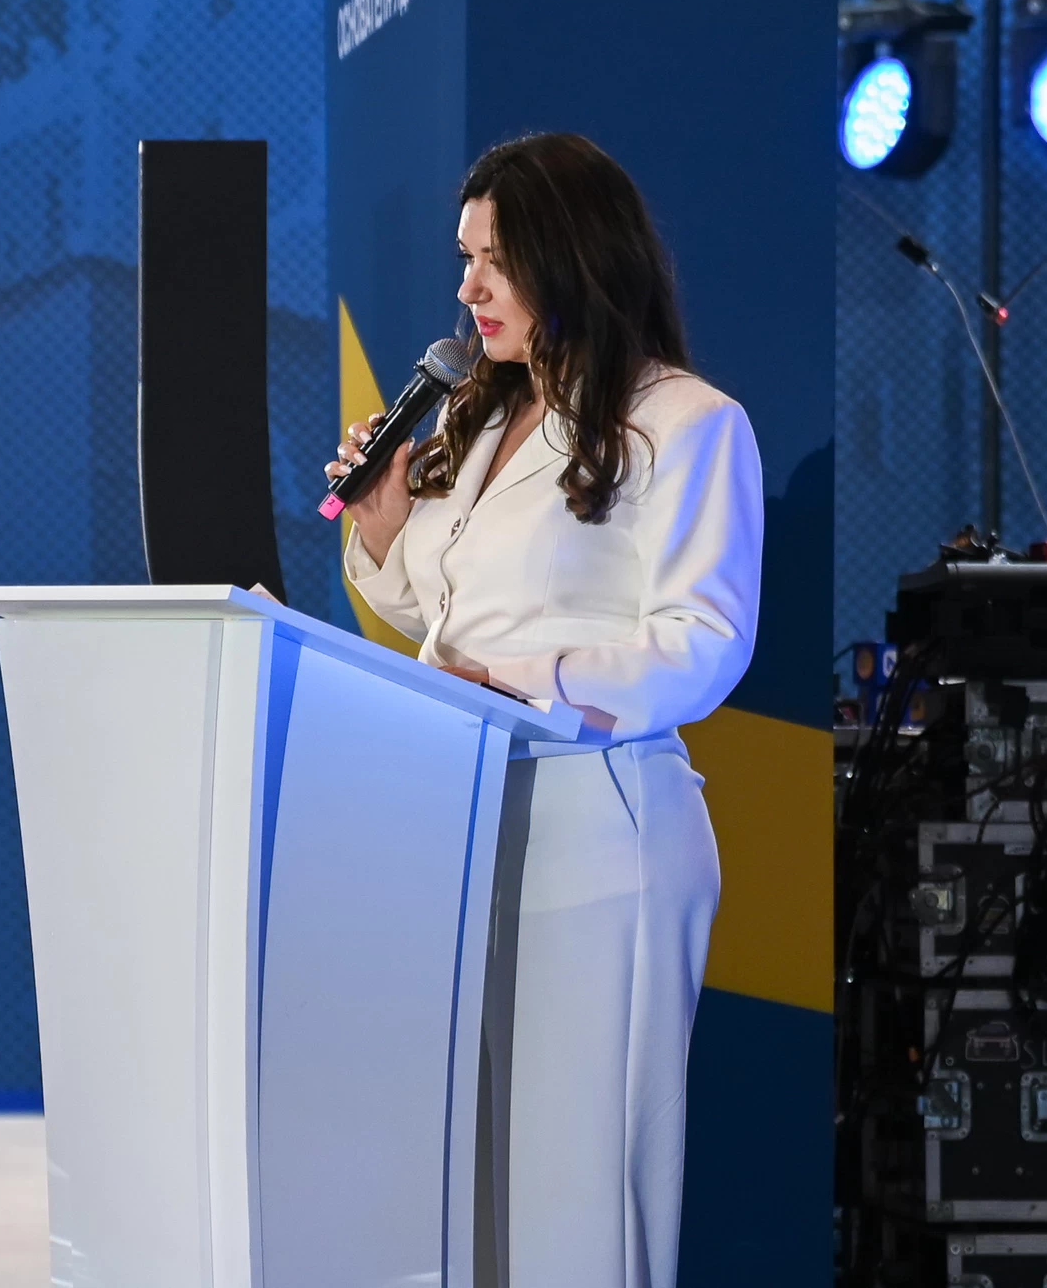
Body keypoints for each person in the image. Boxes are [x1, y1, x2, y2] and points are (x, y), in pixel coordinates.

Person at [325, 132, 762, 1288]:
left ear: (572, 256)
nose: (468, 288)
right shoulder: (482, 419)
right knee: (472, 1173)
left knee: (583, 1179)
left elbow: (704, 643)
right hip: (457, 824)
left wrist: (528, 682)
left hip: (599, 833)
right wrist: (383, 523)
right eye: (462, 259)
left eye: (494, 260)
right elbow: (444, 611)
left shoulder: (688, 421)